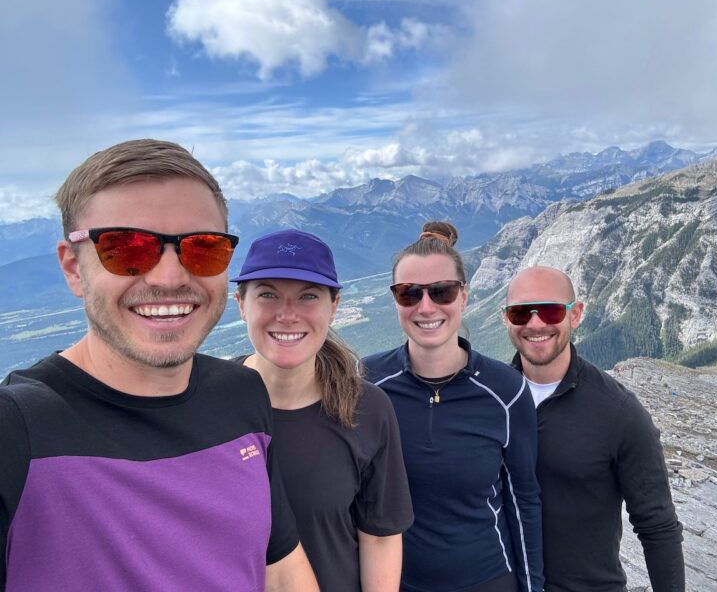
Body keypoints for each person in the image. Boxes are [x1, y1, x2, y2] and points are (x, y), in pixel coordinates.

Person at [0, 139, 318, 592]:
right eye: (126, 248)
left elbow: (281, 568)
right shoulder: (17, 431)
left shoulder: (243, 394)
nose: (170, 277)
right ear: (73, 267)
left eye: (203, 248)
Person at [362, 221, 544, 592]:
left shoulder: (506, 391)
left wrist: (533, 588)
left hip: (488, 579)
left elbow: (523, 500)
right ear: (395, 299)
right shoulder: (366, 382)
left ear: (464, 296)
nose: (426, 307)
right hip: (395, 582)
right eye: (409, 293)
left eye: (442, 292)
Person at [231, 228, 414, 592]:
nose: (287, 315)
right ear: (241, 303)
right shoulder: (211, 400)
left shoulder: (366, 409)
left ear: (333, 307)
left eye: (308, 297)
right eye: (267, 294)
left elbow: (379, 536)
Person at [502, 266, 685, 592]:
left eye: (551, 310)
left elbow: (658, 526)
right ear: (506, 319)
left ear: (576, 315)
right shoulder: (490, 398)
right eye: (520, 313)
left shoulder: (619, 412)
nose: (535, 323)